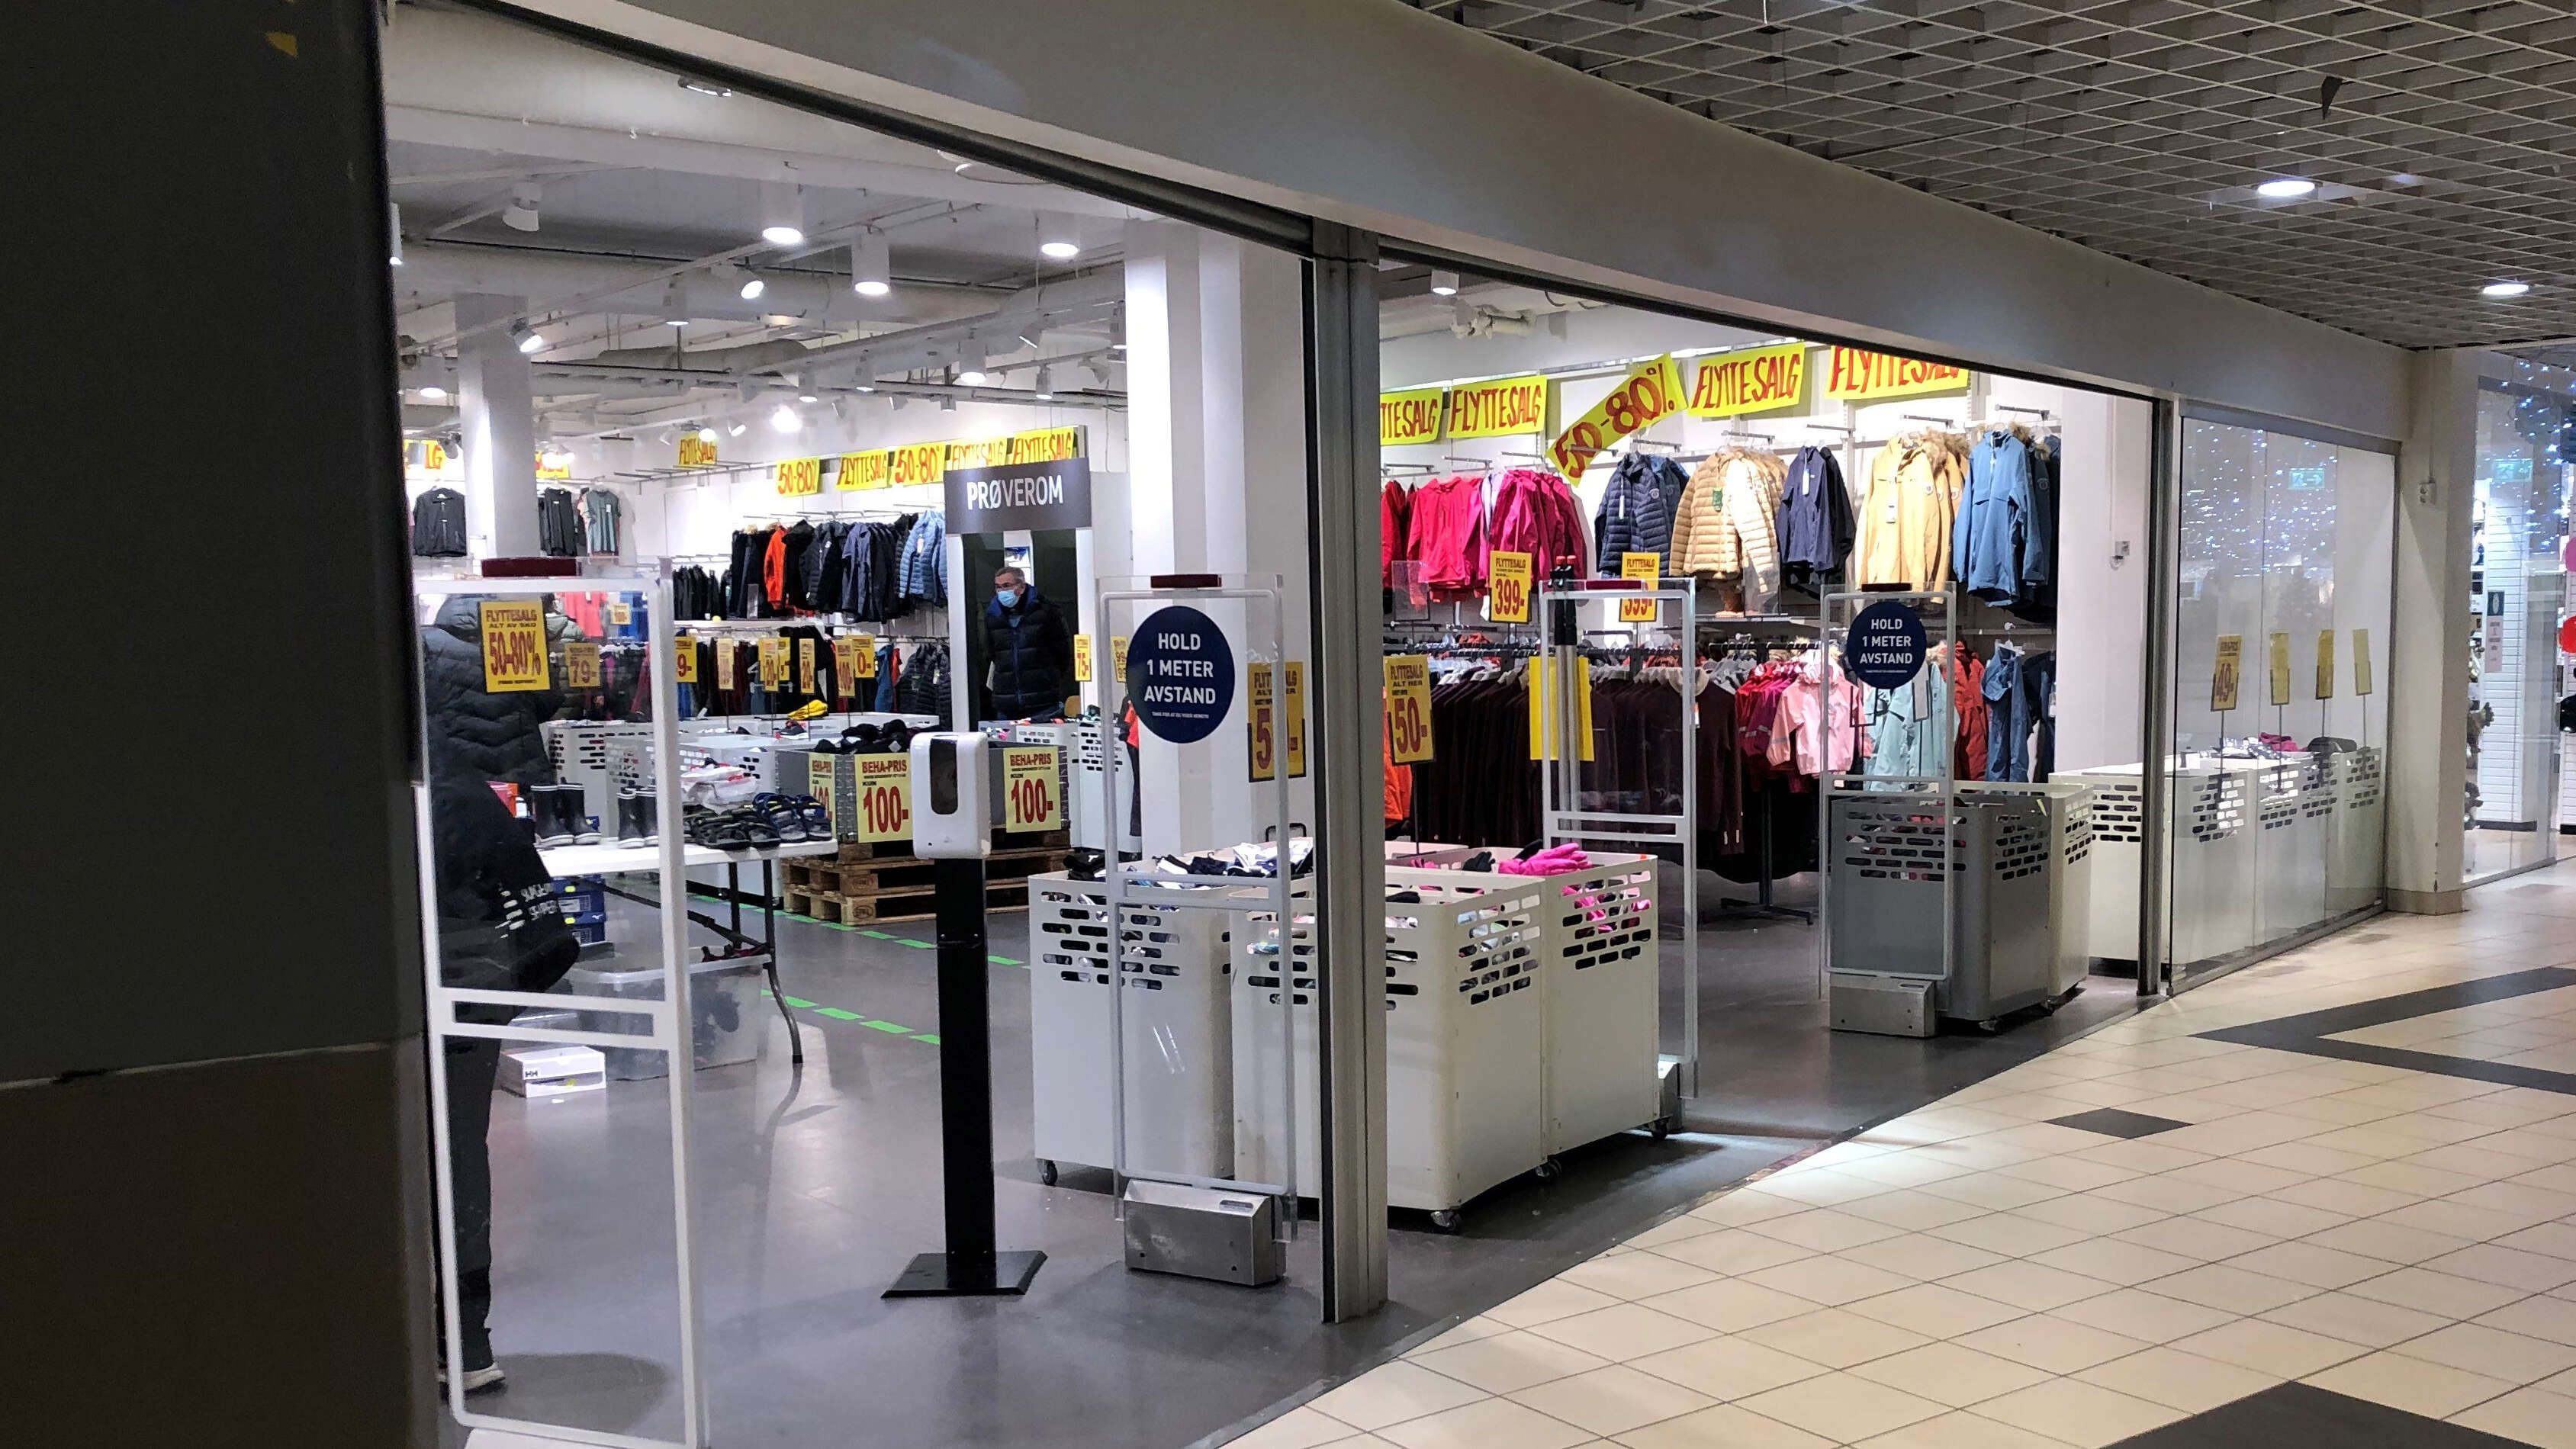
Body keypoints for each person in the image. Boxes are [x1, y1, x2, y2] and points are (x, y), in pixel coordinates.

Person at [420, 598, 578, 1393]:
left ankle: (438, 1335)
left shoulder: (407, 790)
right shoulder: (461, 793)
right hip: (469, 987)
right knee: (457, 1159)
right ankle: (465, 1340)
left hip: (432, 990)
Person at [981, 566, 1073, 720]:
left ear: (1021, 586)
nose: (1002, 591)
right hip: (1006, 702)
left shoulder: (1046, 611)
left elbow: (1062, 652)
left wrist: (1049, 679)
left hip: (1043, 702)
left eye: (1007, 586)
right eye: (998, 587)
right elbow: (990, 653)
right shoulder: (993, 615)